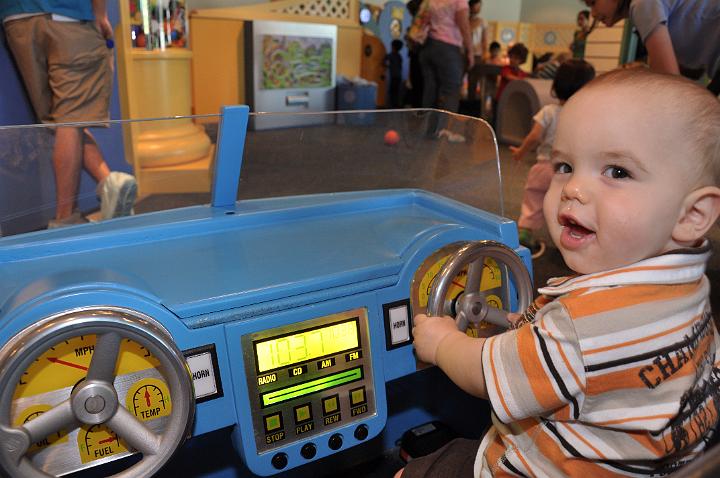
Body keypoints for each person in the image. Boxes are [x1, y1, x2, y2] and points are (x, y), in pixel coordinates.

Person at [396, 68, 720, 477]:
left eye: (617, 172)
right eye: (565, 165)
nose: (573, 188)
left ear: (693, 214)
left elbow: (486, 374)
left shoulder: (583, 327)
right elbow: (596, 363)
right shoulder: (687, 289)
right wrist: (527, 330)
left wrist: (442, 342)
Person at [1, 0, 137, 228]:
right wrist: (100, 15)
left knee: (59, 121)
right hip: (71, 17)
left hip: (17, 21)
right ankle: (65, 218)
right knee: (70, 120)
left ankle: (108, 182)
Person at [511, 59, 596, 257]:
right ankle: (567, 236)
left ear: (556, 85)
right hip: (568, 172)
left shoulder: (548, 111)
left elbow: (534, 136)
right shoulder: (583, 116)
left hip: (542, 166)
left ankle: (525, 229)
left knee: (533, 196)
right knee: (566, 203)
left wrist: (520, 152)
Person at [583, 0, 720, 95]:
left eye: (594, 3)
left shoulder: (641, 5)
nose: (593, 13)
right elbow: (694, 73)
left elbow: (670, 85)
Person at [419, 0, 474, 142]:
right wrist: (470, 50)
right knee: (451, 91)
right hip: (448, 48)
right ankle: (445, 132)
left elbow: (424, 19)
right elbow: (463, 23)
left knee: (431, 90)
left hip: (428, 46)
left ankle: (428, 130)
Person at [465, 0, 487, 102]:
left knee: (473, 82)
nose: (479, 8)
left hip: (477, 55)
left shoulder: (482, 22)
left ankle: (471, 105)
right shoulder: (464, 19)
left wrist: (484, 55)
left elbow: (484, 41)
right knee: (456, 81)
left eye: (480, 6)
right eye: (478, 5)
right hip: (462, 53)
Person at [385, 39, 404, 108]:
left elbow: (384, 62)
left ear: (393, 46)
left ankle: (392, 106)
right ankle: (395, 105)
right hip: (398, 77)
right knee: (396, 92)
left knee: (392, 92)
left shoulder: (391, 55)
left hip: (394, 77)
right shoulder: (399, 56)